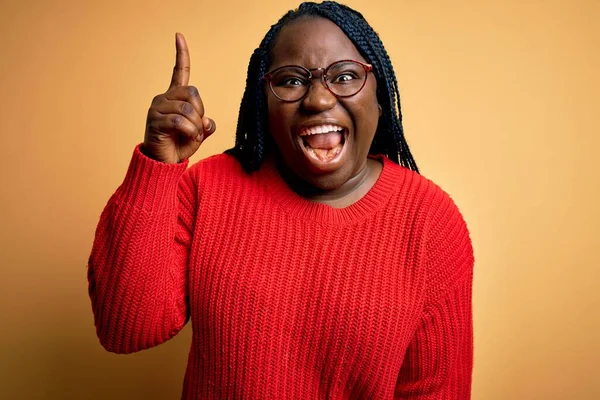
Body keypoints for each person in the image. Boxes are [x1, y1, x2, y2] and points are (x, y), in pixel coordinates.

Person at [87, 1, 474, 399]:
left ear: (379, 97)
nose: (319, 100)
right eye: (291, 80)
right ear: (263, 104)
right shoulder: (210, 188)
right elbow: (125, 328)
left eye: (344, 77)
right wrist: (157, 164)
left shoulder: (430, 222)